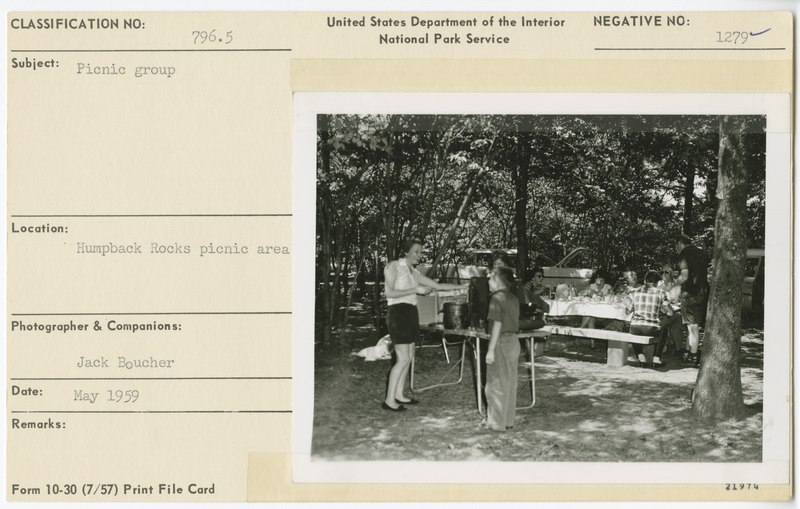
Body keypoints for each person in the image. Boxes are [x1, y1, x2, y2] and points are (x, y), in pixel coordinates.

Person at [383, 237, 467, 411]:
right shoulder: (393, 266)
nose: (419, 255)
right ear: (406, 251)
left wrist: (461, 288)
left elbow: (437, 285)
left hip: (411, 313)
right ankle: (389, 400)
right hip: (398, 313)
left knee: (409, 356)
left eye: (421, 252)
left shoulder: (414, 272)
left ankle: (399, 395)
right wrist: (415, 289)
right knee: (403, 358)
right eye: (416, 252)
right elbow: (389, 293)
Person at [483, 266, 520, 431]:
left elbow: (497, 324)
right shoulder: (513, 298)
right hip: (514, 341)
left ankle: (496, 423)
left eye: (490, 279)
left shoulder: (496, 298)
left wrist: (491, 350)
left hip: (501, 342)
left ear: (497, 281)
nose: (488, 282)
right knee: (510, 382)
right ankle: (508, 421)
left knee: (496, 383)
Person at [674, 234, 710, 367]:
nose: (676, 249)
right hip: (702, 292)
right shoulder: (702, 254)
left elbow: (684, 276)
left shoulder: (684, 254)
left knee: (693, 327)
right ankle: (687, 353)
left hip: (689, 294)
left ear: (679, 243)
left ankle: (694, 356)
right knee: (692, 325)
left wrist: (673, 285)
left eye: (676, 246)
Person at [626, 270, 670, 368]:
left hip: (637, 327)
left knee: (633, 328)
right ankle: (656, 359)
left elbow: (627, 311)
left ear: (645, 280)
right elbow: (670, 312)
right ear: (657, 282)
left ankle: (641, 358)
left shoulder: (634, 292)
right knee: (664, 329)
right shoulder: (661, 292)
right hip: (652, 328)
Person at [654, 263, 684, 366]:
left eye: (666, 272)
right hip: (658, 312)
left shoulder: (676, 286)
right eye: (662, 272)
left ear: (671, 274)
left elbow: (674, 301)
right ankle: (673, 349)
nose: (663, 274)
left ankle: (677, 349)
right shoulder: (658, 284)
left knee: (676, 318)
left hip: (670, 311)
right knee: (672, 319)